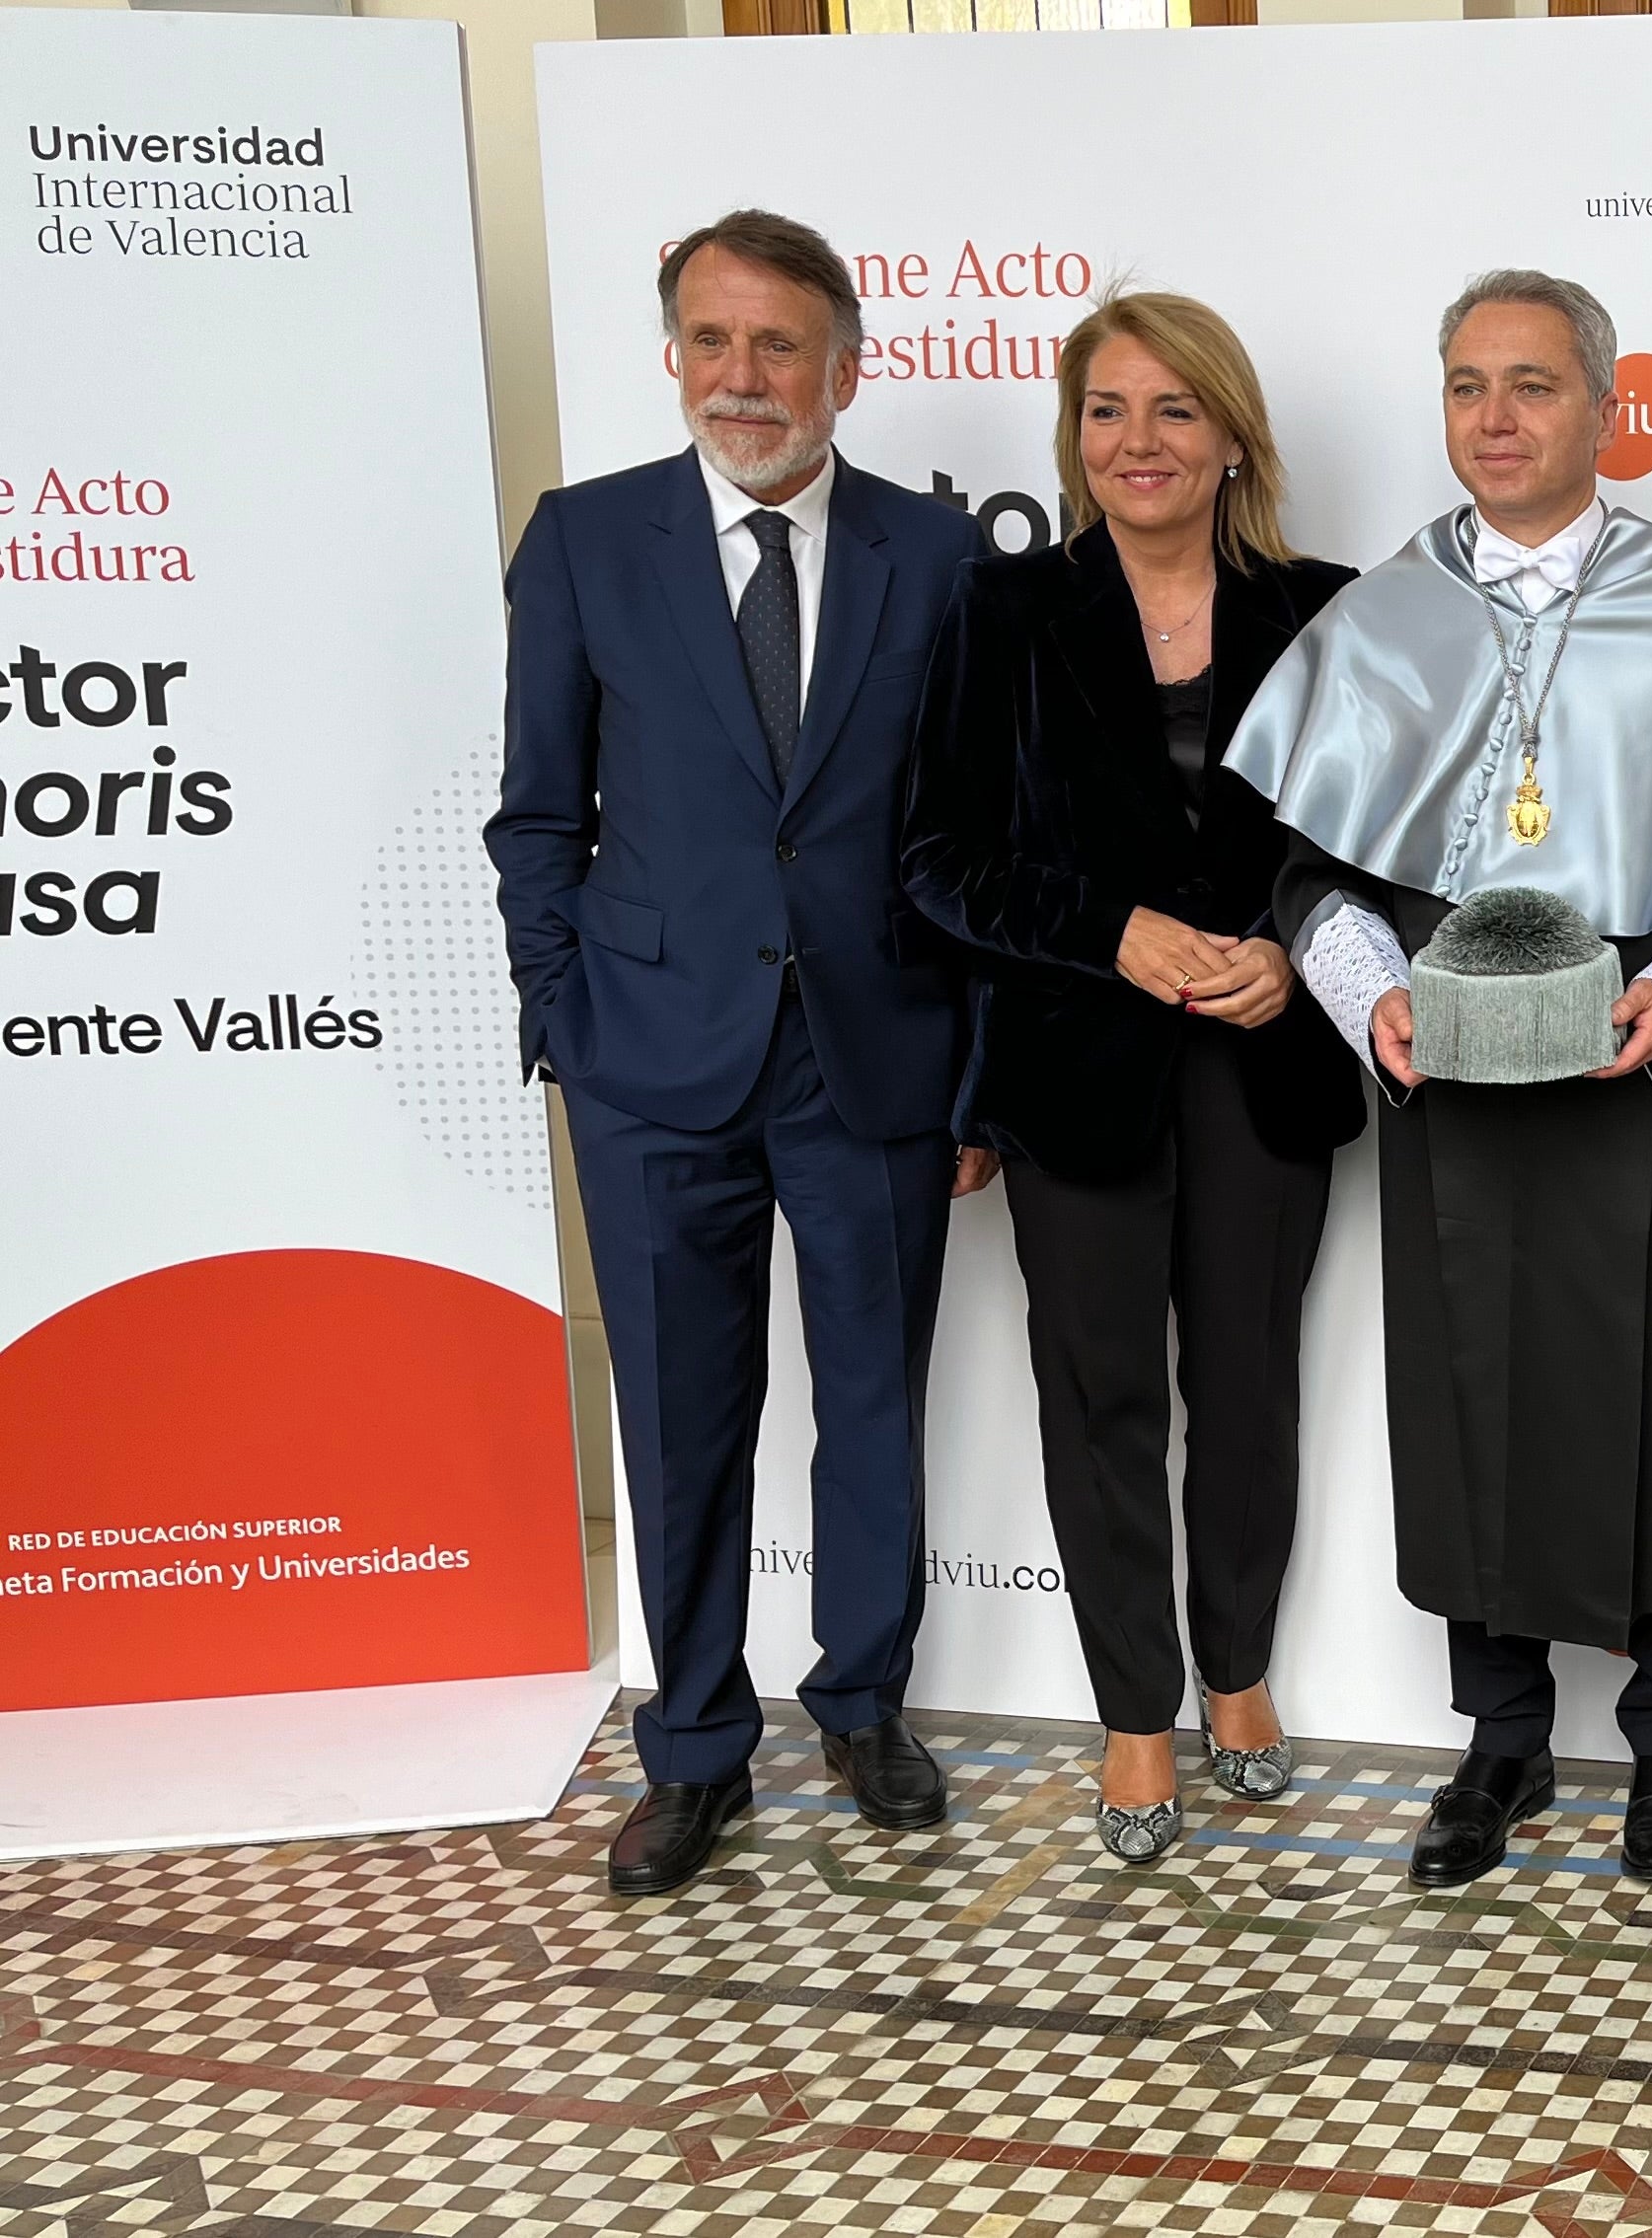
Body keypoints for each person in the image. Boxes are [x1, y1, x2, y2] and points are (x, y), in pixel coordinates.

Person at [1227, 269, 1652, 1891]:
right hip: (1449, 1077)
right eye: (1468, 385)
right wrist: (1372, 1002)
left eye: (1533, 386)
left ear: (1606, 412)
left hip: (1640, 1081)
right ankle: (1503, 1740)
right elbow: (1312, 875)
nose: (1497, 418)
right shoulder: (1383, 616)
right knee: (1472, 1387)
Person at [488, 209, 991, 1897]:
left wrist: (975, 1069)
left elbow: (967, 842)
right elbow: (540, 813)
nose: (744, 377)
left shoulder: (938, 558)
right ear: (673, 358)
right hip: (648, 1060)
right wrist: (564, 1017)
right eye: (713, 341)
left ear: (848, 366)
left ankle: (862, 1706)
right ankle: (694, 1748)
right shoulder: (584, 541)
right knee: (682, 1422)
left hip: (876, 1058)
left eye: (779, 345)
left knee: (871, 1406)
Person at [901, 292, 1362, 1865]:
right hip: (1075, 1069)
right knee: (1097, 1393)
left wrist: (1302, 960)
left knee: (1246, 1382)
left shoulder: (1329, 609)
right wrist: (1119, 933)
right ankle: (1134, 1710)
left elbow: (1371, 851)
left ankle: (1237, 1668)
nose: (1138, 442)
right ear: (1073, 438)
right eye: (1107, 411)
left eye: (1174, 411)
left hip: (1263, 1054)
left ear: (1232, 437)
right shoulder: (1004, 609)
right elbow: (940, 862)